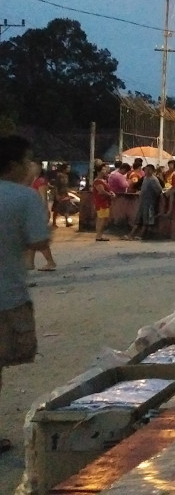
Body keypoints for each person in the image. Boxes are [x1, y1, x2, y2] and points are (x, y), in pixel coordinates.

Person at [1, 135, 53, 455]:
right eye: (28, 160)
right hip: (6, 297)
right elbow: (38, 242)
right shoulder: (24, 197)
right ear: (13, 165)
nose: (32, 165)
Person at [24, 161, 57, 271]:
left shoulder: (40, 181)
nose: (30, 167)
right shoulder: (32, 180)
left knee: (36, 238)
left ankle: (50, 262)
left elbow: (43, 198)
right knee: (31, 238)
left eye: (32, 165)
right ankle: (30, 263)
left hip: (37, 211)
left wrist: (44, 211)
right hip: (32, 211)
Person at [127, 164, 162, 240]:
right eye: (146, 169)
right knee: (139, 219)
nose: (147, 171)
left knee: (146, 220)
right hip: (143, 201)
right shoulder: (145, 178)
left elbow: (159, 191)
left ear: (153, 171)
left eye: (149, 170)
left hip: (149, 202)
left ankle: (141, 235)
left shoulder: (153, 180)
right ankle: (131, 234)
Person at [92, 163, 113, 242]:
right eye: (103, 169)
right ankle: (99, 235)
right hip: (102, 202)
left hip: (104, 202)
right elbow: (101, 191)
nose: (105, 171)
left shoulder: (103, 180)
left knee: (101, 218)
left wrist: (110, 193)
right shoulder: (98, 181)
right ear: (98, 171)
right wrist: (110, 194)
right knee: (102, 219)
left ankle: (99, 235)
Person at [50, 162, 73, 227]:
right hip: (59, 193)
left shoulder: (66, 176)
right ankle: (54, 222)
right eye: (68, 168)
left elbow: (66, 186)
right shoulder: (59, 175)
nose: (69, 169)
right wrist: (57, 194)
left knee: (66, 207)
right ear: (64, 168)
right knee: (57, 208)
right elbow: (56, 186)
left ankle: (67, 222)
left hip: (64, 193)